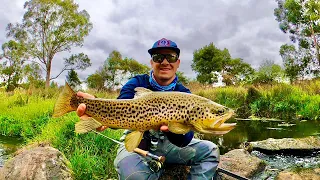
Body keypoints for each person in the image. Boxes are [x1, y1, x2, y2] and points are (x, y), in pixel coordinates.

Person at [76, 38, 220, 180]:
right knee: (133, 176)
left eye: (170, 57)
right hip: (138, 144)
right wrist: (95, 108)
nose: (164, 62)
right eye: (158, 57)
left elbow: (184, 140)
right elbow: (120, 108)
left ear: (178, 63)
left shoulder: (184, 94)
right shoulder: (136, 83)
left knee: (211, 151)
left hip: (170, 147)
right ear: (152, 62)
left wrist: (172, 128)